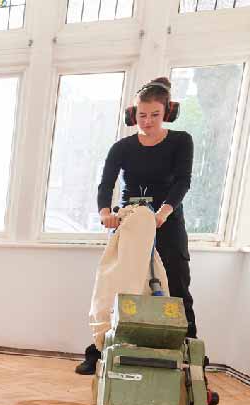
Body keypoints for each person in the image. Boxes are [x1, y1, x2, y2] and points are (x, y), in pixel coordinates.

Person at [77, 76, 196, 376]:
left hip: (166, 220)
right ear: (134, 115)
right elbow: (106, 184)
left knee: (177, 287)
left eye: (155, 114)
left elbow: (183, 180)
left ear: (167, 111)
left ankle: (191, 364)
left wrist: (165, 211)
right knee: (118, 284)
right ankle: (99, 350)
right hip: (131, 220)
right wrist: (106, 212)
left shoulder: (181, 141)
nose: (148, 121)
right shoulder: (123, 147)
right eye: (142, 115)